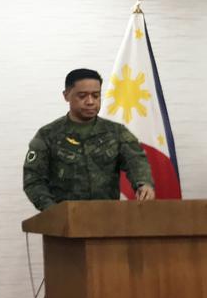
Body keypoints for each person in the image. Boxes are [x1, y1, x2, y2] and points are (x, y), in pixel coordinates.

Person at [23, 68, 155, 211]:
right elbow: (33, 180)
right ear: (66, 95)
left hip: (108, 217)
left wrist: (144, 184)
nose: (90, 102)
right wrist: (53, 211)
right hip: (65, 219)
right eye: (82, 96)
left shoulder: (116, 132)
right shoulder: (48, 135)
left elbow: (136, 160)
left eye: (96, 95)